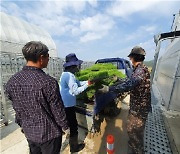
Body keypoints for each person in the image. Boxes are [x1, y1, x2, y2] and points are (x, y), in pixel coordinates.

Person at [5, 41, 69, 154]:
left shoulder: (12, 82)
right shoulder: (48, 82)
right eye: (48, 57)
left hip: (29, 132)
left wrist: (22, 124)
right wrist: (65, 127)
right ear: (41, 58)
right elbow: (58, 110)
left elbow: (17, 108)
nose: (49, 59)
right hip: (49, 134)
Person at [101, 46, 151, 154]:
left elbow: (129, 85)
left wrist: (109, 88)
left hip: (139, 109)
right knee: (132, 129)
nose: (130, 60)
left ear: (135, 58)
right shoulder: (140, 69)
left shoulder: (140, 71)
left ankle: (137, 150)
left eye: (131, 58)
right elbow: (130, 80)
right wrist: (119, 79)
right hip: (138, 107)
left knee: (134, 130)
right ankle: (134, 144)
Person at [59, 53, 92, 153]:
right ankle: (74, 147)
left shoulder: (66, 74)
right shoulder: (69, 76)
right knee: (74, 126)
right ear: (73, 66)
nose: (79, 67)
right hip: (68, 106)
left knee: (70, 124)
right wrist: (87, 86)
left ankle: (70, 139)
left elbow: (79, 83)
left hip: (65, 104)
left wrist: (87, 82)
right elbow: (76, 91)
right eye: (77, 65)